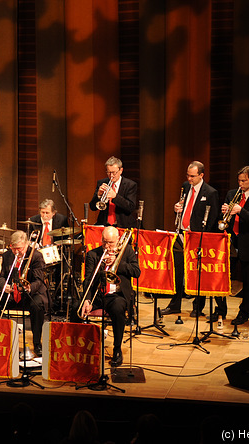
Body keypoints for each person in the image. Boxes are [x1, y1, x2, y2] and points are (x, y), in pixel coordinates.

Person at [71, 226, 139, 367]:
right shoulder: (93, 255)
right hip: (97, 295)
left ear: (118, 240)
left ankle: (117, 349)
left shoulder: (127, 251)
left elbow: (136, 272)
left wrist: (117, 264)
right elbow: (88, 280)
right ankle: (78, 348)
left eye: (110, 243)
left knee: (118, 308)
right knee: (76, 308)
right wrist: (87, 300)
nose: (107, 246)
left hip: (117, 295)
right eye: (104, 242)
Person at [160, 161, 220, 318]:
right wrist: (176, 209)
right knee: (177, 271)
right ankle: (175, 304)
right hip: (181, 234)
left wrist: (204, 239)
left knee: (197, 272)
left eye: (192, 176)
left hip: (197, 237)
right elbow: (185, 208)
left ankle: (198, 307)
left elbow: (213, 219)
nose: (189, 179)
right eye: (187, 175)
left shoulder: (211, 192)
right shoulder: (185, 187)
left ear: (201, 175)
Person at [0, 230, 48, 357]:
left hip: (30, 293)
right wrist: (4, 286)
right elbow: (2, 276)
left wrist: (28, 288)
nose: (16, 252)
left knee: (37, 305)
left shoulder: (36, 256)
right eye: (13, 249)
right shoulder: (8, 255)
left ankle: (37, 343)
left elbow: (39, 281)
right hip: (12, 293)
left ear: (26, 244)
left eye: (19, 249)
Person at [221, 166, 249, 325]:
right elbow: (227, 218)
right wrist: (225, 211)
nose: (240, 184)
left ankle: (244, 314)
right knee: (223, 279)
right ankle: (220, 311)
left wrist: (240, 210)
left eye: (244, 180)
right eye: (239, 180)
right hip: (231, 243)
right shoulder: (231, 194)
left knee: (248, 284)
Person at [88, 157, 137, 228]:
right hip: (105, 225)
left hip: (122, 225)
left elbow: (130, 207)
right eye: (108, 172)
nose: (111, 176)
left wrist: (115, 197)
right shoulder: (102, 182)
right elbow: (92, 207)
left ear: (121, 170)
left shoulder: (130, 185)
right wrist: (98, 195)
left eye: (114, 172)